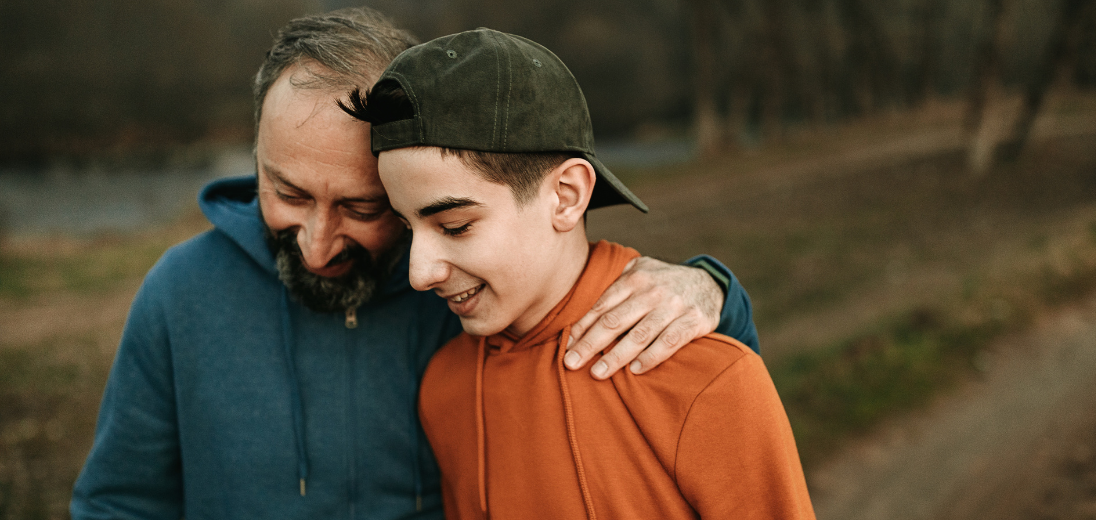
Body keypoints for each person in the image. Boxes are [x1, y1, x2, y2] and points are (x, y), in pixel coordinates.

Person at [70, 8, 761, 520]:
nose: (316, 242)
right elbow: (118, 505)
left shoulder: (463, 301)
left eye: (363, 210)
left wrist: (713, 290)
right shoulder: (179, 295)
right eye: (286, 193)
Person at [346, 28, 814, 519]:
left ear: (566, 196)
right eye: (406, 226)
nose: (419, 273)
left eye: (455, 226)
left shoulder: (705, 379)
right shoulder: (444, 390)